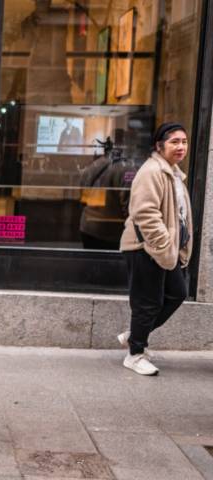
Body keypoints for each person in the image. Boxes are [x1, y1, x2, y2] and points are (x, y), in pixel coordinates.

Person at [118, 123, 192, 376]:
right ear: (160, 146)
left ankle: (134, 336)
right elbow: (145, 213)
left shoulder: (173, 172)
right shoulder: (152, 171)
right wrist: (162, 245)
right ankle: (135, 354)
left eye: (184, 141)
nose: (181, 146)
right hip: (144, 247)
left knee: (177, 293)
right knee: (147, 303)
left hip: (164, 249)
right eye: (174, 142)